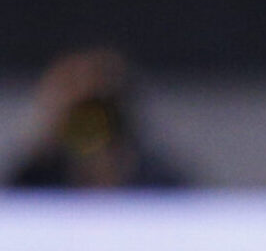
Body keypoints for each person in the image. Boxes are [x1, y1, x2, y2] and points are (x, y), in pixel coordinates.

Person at [6, 48, 191, 189]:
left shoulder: (163, 185)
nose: (89, 127)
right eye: (78, 114)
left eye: (97, 111)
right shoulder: (32, 181)